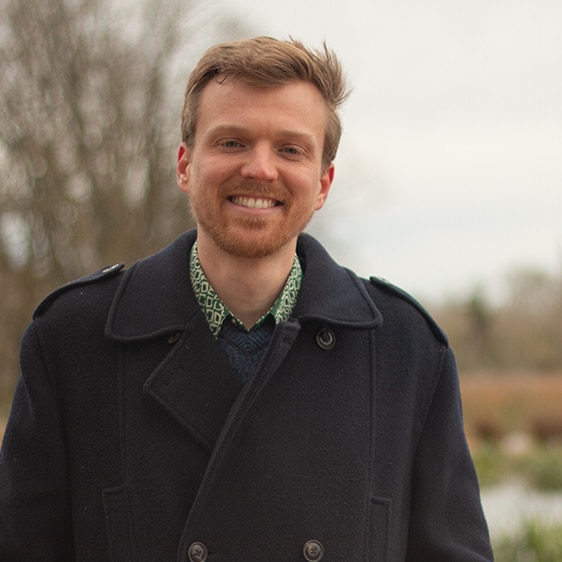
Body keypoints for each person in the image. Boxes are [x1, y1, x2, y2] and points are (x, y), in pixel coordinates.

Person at [0, 36, 493, 561]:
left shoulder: (408, 352)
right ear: (185, 165)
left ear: (322, 183)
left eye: (290, 149)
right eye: (232, 142)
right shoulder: (73, 341)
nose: (260, 169)